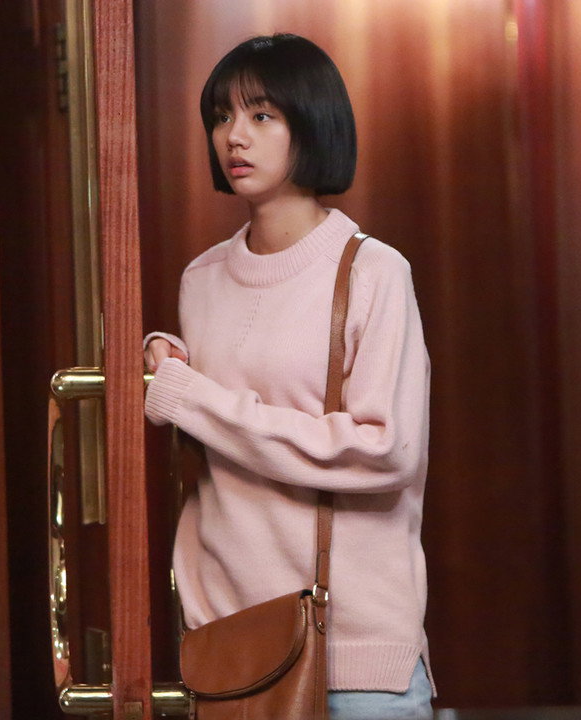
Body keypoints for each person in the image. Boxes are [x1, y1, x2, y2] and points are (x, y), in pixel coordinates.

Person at [142, 33, 433, 719]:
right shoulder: (202, 279)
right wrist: (170, 364)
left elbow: (384, 449)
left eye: (262, 115)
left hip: (354, 654)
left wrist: (192, 399)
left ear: (312, 123)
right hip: (231, 646)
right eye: (221, 116)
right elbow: (214, 440)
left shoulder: (372, 272)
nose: (234, 136)